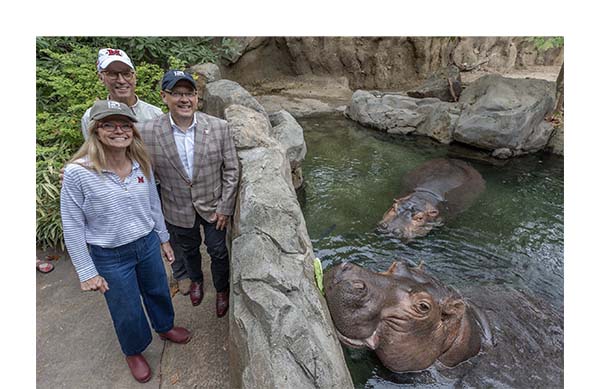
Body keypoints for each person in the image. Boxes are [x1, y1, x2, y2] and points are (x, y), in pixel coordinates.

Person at [61, 100, 191, 383]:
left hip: (145, 243)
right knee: (126, 306)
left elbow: (153, 203)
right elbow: (72, 224)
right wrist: (86, 271)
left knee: (158, 289)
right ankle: (134, 349)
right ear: (96, 130)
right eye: (109, 125)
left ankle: (164, 326)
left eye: (124, 124)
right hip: (109, 253)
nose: (118, 130)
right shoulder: (78, 173)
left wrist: (163, 239)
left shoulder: (140, 162)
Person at [138, 70, 239, 317]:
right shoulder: (148, 131)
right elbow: (123, 158)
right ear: (164, 96)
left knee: (218, 251)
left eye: (189, 93)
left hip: (214, 206)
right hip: (176, 207)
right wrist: (84, 167)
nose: (184, 99)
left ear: (197, 97)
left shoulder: (219, 127)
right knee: (189, 250)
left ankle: (222, 289)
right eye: (177, 93)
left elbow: (232, 169)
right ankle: (196, 280)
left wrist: (225, 206)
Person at [80, 48, 163, 140]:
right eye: (113, 74)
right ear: (101, 78)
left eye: (126, 74)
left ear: (135, 76)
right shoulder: (91, 117)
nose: (121, 80)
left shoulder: (156, 116)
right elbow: (93, 152)